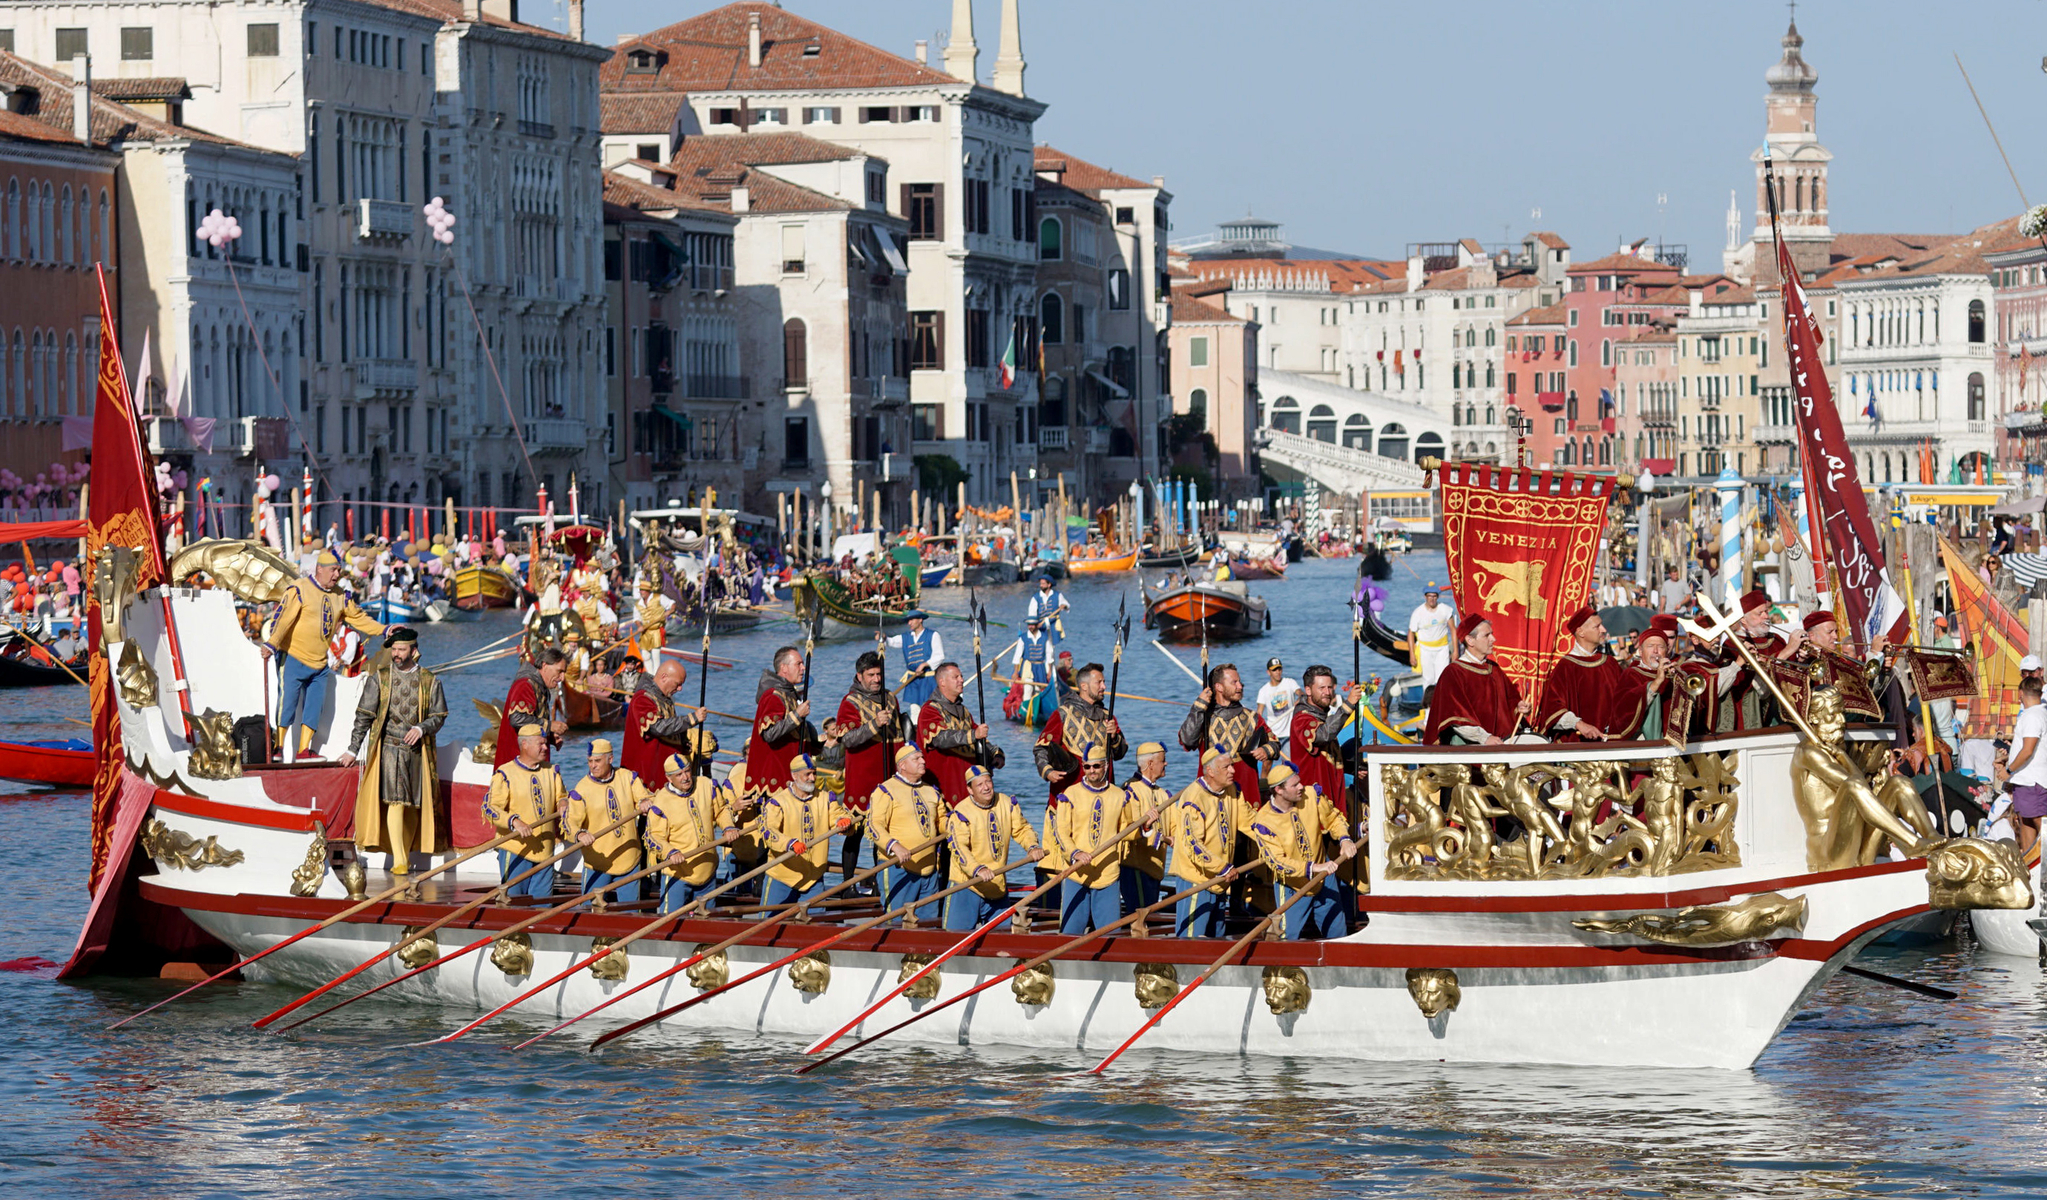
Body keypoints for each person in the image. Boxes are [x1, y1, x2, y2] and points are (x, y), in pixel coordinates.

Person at [340, 627, 446, 875]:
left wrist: (421, 728)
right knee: (396, 802)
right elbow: (364, 715)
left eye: (401, 649)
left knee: (411, 805)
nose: (396, 654)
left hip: (418, 751)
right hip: (389, 749)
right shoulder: (380, 678)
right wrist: (352, 749)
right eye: (394, 650)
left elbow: (439, 716)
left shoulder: (430, 680)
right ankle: (400, 860)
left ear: (414, 650)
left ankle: (405, 855)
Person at [267, 547, 386, 757]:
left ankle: (304, 750)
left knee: (314, 709)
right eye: (333, 570)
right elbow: (283, 618)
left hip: (320, 663)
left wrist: (384, 629)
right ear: (319, 569)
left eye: (338, 570)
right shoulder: (299, 589)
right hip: (293, 655)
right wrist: (272, 644)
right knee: (287, 703)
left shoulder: (340, 596)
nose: (336, 575)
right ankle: (278, 747)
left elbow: (359, 618)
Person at [1047, 743, 1154, 935]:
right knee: (1070, 933)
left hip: (1108, 874)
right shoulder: (1070, 795)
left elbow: (1127, 831)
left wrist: (1145, 826)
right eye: (1087, 767)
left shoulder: (1120, 796)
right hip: (1076, 873)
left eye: (1096, 766)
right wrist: (1075, 853)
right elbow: (1061, 832)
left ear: (1105, 766)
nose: (1091, 771)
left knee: (1110, 934)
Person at [1248, 762, 1357, 940]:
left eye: (1299, 782)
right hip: (1292, 884)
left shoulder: (1311, 795)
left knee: (1338, 935)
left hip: (1324, 876)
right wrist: (1315, 868)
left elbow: (1333, 819)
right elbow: (1277, 862)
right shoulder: (1264, 821)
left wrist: (1344, 838)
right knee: (1286, 939)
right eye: (1295, 785)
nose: (1301, 787)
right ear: (1279, 790)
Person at [943, 765, 1044, 931]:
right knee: (954, 938)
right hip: (967, 885)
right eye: (980, 785)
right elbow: (958, 848)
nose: (986, 788)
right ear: (970, 789)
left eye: (988, 782)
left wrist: (1032, 846)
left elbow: (1022, 829)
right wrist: (977, 869)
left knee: (1001, 940)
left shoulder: (1005, 802)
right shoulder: (961, 812)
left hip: (997, 885)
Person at [1537, 606, 1656, 742]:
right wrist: (1579, 724)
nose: (1604, 630)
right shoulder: (1566, 667)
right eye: (1597, 626)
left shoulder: (1610, 663)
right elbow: (1552, 709)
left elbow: (1627, 699)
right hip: (1578, 748)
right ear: (1581, 632)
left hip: (1612, 744)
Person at [645, 752, 739, 914]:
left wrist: (728, 827)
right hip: (678, 874)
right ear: (669, 778)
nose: (685, 777)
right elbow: (653, 836)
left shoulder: (707, 785)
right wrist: (670, 852)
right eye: (679, 775)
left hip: (708, 871)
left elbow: (722, 811)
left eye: (687, 771)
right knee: (668, 922)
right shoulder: (661, 801)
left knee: (707, 925)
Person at [483, 724, 566, 899]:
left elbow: (561, 796)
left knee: (542, 907)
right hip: (516, 851)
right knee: (513, 903)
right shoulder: (505, 773)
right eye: (541, 744)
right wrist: (514, 821)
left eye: (546, 743)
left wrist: (564, 803)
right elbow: (490, 808)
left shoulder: (551, 771)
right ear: (525, 745)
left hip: (545, 851)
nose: (545, 747)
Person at [1178, 662, 1280, 803]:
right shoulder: (1204, 716)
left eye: (1240, 682)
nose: (1240, 686)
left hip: (1245, 791)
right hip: (1211, 793)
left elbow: (1274, 743)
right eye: (1234, 682)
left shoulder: (1252, 717)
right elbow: (1187, 741)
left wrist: (1266, 750)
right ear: (1219, 687)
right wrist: (1199, 707)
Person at [1167, 747, 1243, 937]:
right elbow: (1193, 846)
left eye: (1232, 766)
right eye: (1226, 767)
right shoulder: (1193, 798)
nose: (1233, 771)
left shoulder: (1230, 790)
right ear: (1210, 771)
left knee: (1216, 937)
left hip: (1220, 879)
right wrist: (1222, 867)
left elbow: (1249, 821)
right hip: (1196, 879)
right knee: (1191, 940)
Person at [758, 754, 852, 907]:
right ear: (794, 776)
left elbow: (836, 813)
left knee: (814, 928)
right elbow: (769, 831)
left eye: (814, 773)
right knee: (768, 923)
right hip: (782, 875)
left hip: (814, 876)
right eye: (807, 774)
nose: (813, 778)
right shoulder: (777, 802)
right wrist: (790, 843)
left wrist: (841, 821)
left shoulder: (826, 798)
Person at [565, 738, 651, 906]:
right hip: (598, 862)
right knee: (589, 912)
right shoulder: (580, 790)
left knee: (631, 914)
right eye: (590, 761)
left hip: (629, 859)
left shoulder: (628, 777)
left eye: (597, 761)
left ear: (610, 759)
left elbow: (645, 796)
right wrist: (579, 833)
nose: (592, 765)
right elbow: (569, 824)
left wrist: (644, 802)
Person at [1422, 614, 1530, 745]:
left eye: (1492, 634)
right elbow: (1457, 719)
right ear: (1470, 640)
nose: (1493, 639)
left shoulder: (1494, 668)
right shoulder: (1453, 673)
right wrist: (1484, 738)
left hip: (1502, 743)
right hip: (1470, 748)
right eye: (1486, 635)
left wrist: (1519, 707)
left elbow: (1510, 700)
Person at [868, 744, 944, 923]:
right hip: (898, 868)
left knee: (929, 926)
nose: (923, 761)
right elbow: (874, 825)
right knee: (895, 924)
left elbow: (942, 822)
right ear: (902, 765)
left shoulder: (931, 791)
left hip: (929, 869)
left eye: (922, 758)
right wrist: (895, 846)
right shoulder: (886, 790)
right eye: (916, 758)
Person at [1034, 661, 1127, 802]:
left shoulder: (1108, 717)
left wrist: (1114, 737)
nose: (1104, 687)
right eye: (1099, 682)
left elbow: (1120, 754)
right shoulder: (1062, 714)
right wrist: (1048, 771)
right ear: (1084, 686)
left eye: (1104, 682)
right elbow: (1041, 748)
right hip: (1069, 796)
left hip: (1103, 796)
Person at [914, 661, 1002, 805]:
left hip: (966, 783)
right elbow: (940, 739)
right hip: (944, 785)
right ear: (942, 682)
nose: (961, 680)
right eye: (956, 677)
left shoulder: (963, 711)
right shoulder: (930, 710)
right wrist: (973, 735)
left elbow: (979, 738)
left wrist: (994, 753)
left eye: (961, 676)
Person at [745, 645, 817, 799]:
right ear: (784, 668)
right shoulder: (773, 695)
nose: (803, 668)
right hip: (776, 781)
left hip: (791, 776)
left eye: (802, 664)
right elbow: (770, 733)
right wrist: (797, 715)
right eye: (798, 664)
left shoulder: (788, 694)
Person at [1291, 666, 1362, 813]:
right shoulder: (1302, 719)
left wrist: (1352, 768)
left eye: (1330, 687)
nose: (1327, 692)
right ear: (1308, 690)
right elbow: (1323, 735)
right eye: (1321, 688)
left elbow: (1326, 756)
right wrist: (1348, 706)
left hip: (1331, 796)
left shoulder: (1322, 716)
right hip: (1314, 803)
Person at [622, 659, 700, 786]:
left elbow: (670, 727)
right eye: (678, 684)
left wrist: (683, 742)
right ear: (664, 677)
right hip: (649, 775)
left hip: (667, 772)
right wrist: (691, 719)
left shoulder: (664, 698)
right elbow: (657, 727)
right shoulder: (642, 698)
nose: (680, 689)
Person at [1121, 741, 1173, 914]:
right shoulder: (1131, 791)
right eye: (1163, 760)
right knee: (1140, 918)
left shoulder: (1164, 794)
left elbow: (1175, 826)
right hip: (1136, 868)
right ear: (1150, 764)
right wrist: (1161, 838)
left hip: (1156, 869)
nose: (1166, 763)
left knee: (1149, 916)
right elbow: (1126, 829)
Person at [2002, 677, 2047, 855]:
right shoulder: (2040, 713)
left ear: (2021, 693)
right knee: (2026, 822)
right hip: (2027, 780)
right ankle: (2031, 864)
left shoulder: (2032, 715)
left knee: (2039, 822)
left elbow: (2027, 750)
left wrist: (2008, 771)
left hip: (2032, 780)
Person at [889, 610, 944, 721]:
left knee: (929, 707)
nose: (909, 623)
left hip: (928, 678)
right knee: (914, 709)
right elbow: (892, 641)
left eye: (912, 620)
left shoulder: (932, 635)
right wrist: (883, 638)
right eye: (908, 620)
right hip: (913, 679)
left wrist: (925, 664)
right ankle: (916, 731)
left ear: (920, 620)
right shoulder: (906, 637)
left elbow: (939, 656)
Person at [1406, 585, 1456, 693]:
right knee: (1428, 679)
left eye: (1434, 596)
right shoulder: (1418, 613)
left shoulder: (1445, 610)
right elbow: (1411, 633)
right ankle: (1428, 706)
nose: (1432, 599)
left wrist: (1456, 651)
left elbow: (1453, 630)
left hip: (1442, 648)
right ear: (1425, 597)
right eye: (1429, 596)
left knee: (1442, 677)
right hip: (1425, 649)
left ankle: (1442, 703)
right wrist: (1412, 654)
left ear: (1437, 597)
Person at [1255, 657, 1300, 741]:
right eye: (1274, 670)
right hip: (1273, 734)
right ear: (1268, 672)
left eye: (1279, 669)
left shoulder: (1290, 683)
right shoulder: (1263, 690)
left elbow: (1301, 693)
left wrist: (1300, 698)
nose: (1278, 672)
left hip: (1290, 733)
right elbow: (1259, 713)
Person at [634, 579, 675, 660]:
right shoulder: (638, 604)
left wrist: (670, 611)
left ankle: (656, 672)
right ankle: (650, 673)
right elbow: (636, 618)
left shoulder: (659, 598)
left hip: (656, 630)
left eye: (643, 590)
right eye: (640, 590)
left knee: (655, 655)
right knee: (645, 656)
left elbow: (672, 604)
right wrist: (639, 626)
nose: (641, 592)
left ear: (648, 591)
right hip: (645, 632)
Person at [1026, 575, 1070, 640]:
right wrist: (1034, 625)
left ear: (1049, 585)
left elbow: (1066, 605)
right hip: (1040, 625)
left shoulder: (1057, 595)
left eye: (1043, 584)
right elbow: (1032, 613)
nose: (1041, 585)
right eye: (1040, 583)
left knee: (1052, 646)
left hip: (1053, 624)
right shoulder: (1036, 597)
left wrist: (1064, 606)